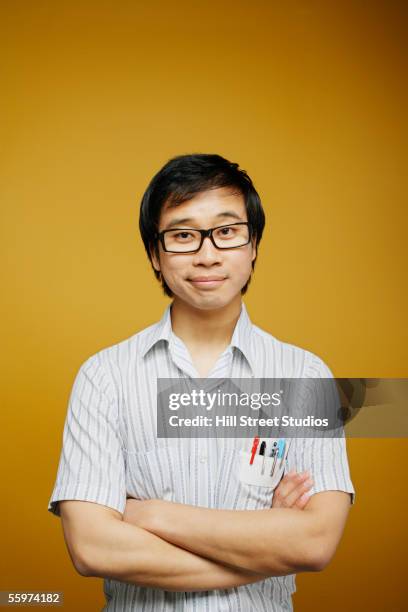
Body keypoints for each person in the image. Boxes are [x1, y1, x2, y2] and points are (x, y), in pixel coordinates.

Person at [48, 153, 355, 611]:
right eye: (184, 235)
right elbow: (93, 548)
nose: (207, 254)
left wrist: (147, 513)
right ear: (155, 253)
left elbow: (314, 544)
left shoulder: (307, 376)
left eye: (227, 232)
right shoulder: (104, 377)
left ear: (253, 245)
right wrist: (266, 544)